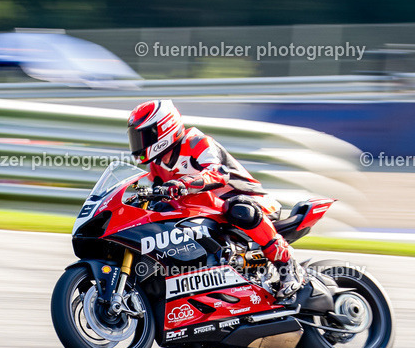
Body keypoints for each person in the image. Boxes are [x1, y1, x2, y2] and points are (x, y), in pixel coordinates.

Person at [126, 99, 306, 299]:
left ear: (164, 129)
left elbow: (218, 174)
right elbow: (159, 195)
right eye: (136, 137)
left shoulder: (196, 142)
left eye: (144, 136)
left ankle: (288, 266)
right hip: (209, 212)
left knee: (238, 208)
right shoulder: (156, 166)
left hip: (250, 201)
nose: (140, 143)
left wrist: (183, 184)